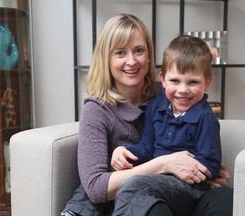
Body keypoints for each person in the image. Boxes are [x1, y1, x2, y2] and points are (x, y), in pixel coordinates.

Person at [61, 13, 233, 216]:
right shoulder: (96, 110)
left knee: (226, 198)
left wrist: (207, 174)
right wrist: (163, 163)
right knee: (146, 204)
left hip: (182, 189)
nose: (131, 61)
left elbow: (206, 158)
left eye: (139, 50)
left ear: (149, 55)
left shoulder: (169, 93)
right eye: (120, 53)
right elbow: (96, 188)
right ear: (106, 58)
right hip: (135, 195)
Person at [111, 35, 221, 216]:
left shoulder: (205, 118)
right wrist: (124, 151)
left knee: (133, 186)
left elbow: (211, 164)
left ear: (207, 82)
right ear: (162, 79)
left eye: (193, 82)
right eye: (175, 81)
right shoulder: (156, 107)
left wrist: (183, 167)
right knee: (136, 192)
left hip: (188, 187)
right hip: (157, 183)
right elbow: (147, 147)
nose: (183, 89)